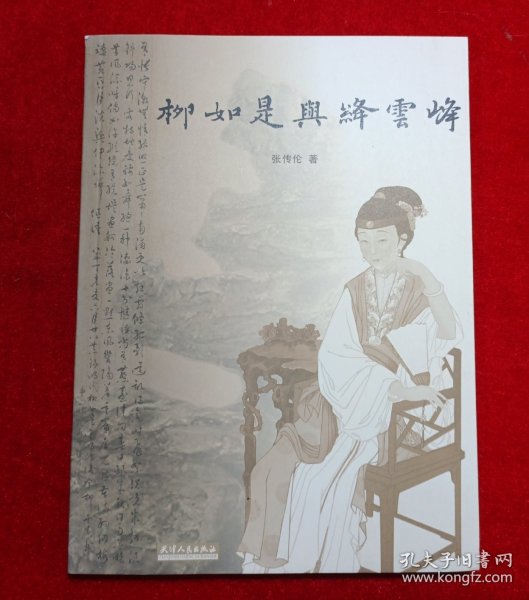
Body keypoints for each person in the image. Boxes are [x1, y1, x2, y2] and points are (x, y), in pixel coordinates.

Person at [238, 186, 462, 573]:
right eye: (364, 240)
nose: (372, 250)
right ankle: (278, 561)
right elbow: (336, 355)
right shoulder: (355, 289)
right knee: (276, 468)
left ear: (403, 239)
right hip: (349, 398)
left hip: (399, 413)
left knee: (320, 482)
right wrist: (382, 384)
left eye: (382, 240)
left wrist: (425, 275)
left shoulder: (419, 288)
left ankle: (318, 563)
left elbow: (448, 335)